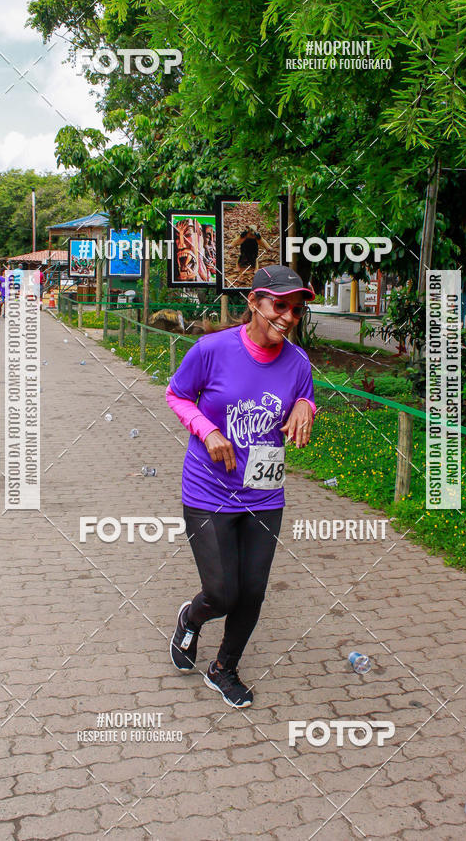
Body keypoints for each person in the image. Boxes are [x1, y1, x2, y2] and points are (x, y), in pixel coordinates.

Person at [166, 265, 316, 707]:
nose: (288, 316)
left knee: (252, 591)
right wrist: (206, 430)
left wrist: (307, 405)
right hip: (209, 490)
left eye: (296, 308)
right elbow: (177, 394)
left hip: (264, 494)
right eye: (279, 305)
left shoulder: (298, 362)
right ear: (254, 303)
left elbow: (302, 396)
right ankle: (191, 618)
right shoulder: (211, 349)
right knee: (222, 593)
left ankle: (223, 669)